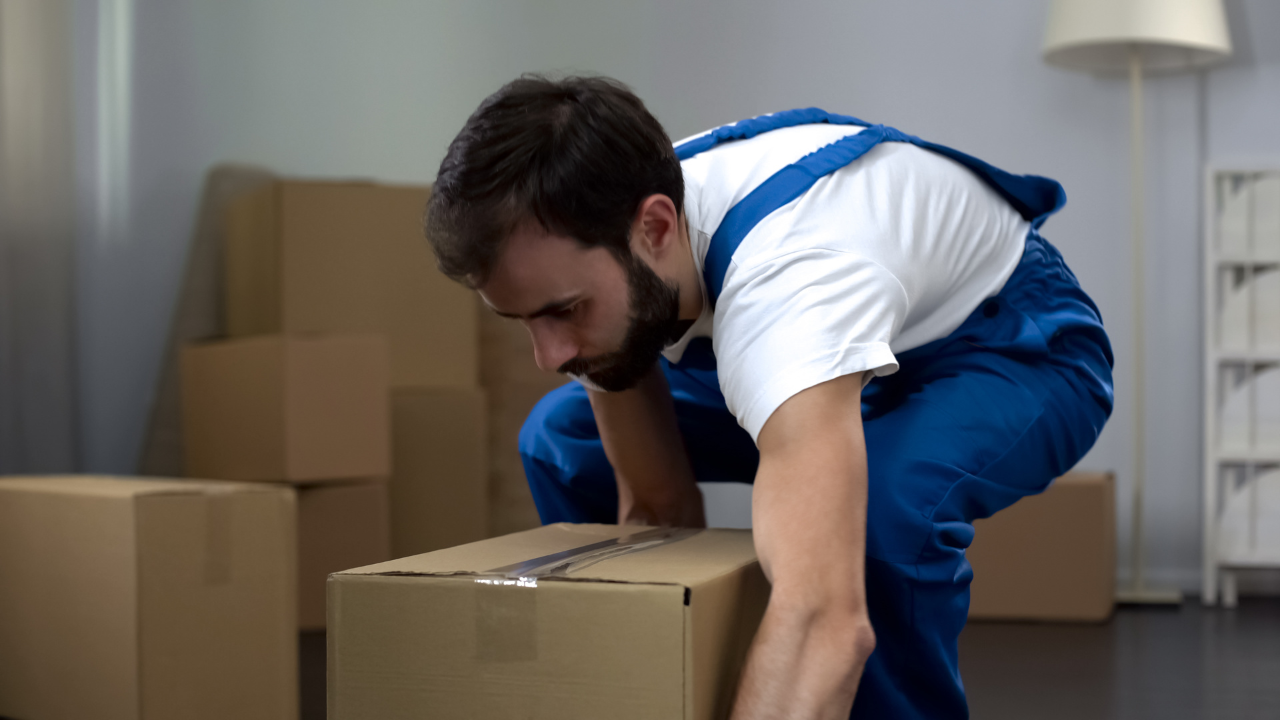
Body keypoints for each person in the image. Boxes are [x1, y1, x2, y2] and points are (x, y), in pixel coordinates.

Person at [424, 74, 1113, 720]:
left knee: (887, 513)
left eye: (564, 310)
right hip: (851, 337)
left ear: (656, 229)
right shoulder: (613, 225)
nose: (549, 356)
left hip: (1009, 341)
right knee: (563, 438)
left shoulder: (789, 286)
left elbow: (827, 622)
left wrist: (796, 660)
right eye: (525, 321)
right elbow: (656, 508)